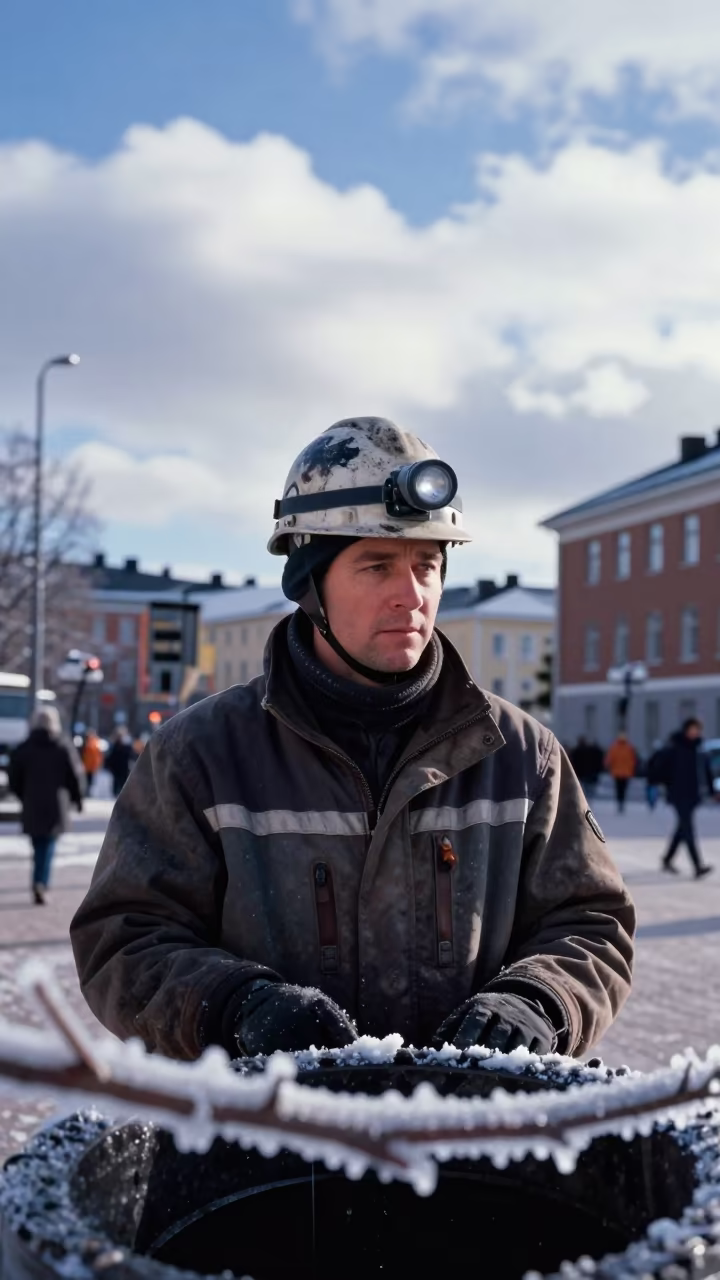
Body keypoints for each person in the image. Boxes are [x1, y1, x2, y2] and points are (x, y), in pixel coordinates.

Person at [71, 416, 634, 1063]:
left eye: (427, 565)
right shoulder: (200, 755)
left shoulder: (519, 755)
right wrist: (234, 1005)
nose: (411, 595)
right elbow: (124, 936)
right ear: (308, 582)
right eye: (376, 566)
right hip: (263, 1147)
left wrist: (536, 1001)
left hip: (470, 1143)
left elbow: (592, 923)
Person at [9, 705, 84, 904]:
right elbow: (74, 777)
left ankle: (38, 881)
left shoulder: (24, 748)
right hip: (55, 804)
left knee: (37, 846)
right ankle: (41, 882)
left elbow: (13, 779)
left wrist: (23, 795)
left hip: (32, 803)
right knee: (49, 845)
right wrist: (78, 799)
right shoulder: (62, 746)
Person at [653, 718, 715, 879]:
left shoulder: (699, 748)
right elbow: (660, 768)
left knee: (682, 828)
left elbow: (706, 771)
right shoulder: (674, 747)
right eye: (692, 729)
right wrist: (667, 784)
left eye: (697, 729)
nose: (695, 732)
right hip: (678, 794)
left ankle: (667, 859)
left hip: (694, 794)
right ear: (686, 729)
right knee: (688, 829)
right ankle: (698, 865)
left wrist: (711, 790)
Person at [604, 732, 638, 814]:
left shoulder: (615, 748)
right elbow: (633, 761)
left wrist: (607, 765)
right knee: (623, 788)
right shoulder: (629, 748)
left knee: (618, 788)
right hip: (626, 773)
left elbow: (609, 759)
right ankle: (621, 801)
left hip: (617, 772)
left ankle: (620, 802)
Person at [104, 726, 135, 798]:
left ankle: (122, 793)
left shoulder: (126, 744)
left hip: (123, 766)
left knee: (123, 781)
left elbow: (131, 754)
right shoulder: (114, 744)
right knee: (117, 781)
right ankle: (117, 793)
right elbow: (111, 755)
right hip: (116, 767)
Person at [81, 729, 104, 796]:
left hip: (91, 766)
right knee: (88, 780)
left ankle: (89, 792)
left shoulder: (94, 743)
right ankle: (87, 791)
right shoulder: (89, 743)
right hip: (87, 766)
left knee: (90, 780)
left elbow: (98, 755)